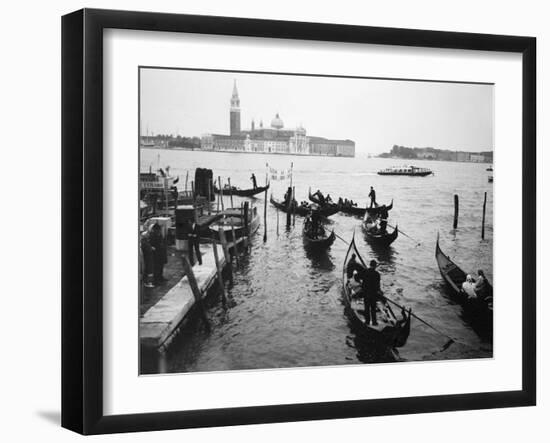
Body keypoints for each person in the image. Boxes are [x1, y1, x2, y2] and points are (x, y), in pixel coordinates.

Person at [359, 259, 381, 326]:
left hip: (366, 293)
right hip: (373, 294)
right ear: (375, 266)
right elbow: (377, 286)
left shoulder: (365, 271)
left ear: (370, 265)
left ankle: (367, 322)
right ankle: (374, 322)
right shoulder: (377, 274)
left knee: (367, 308)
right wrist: (378, 291)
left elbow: (358, 277)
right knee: (373, 309)